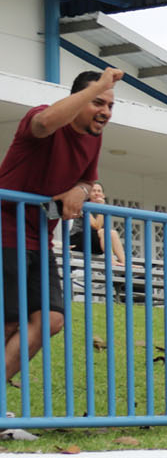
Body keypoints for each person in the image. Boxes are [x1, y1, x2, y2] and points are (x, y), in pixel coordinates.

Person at [1, 67, 121, 386]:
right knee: (9, 322)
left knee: (51, 319)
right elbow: (44, 123)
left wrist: (80, 190)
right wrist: (99, 85)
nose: (106, 112)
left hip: (39, 236)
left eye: (110, 106)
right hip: (6, 229)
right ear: (77, 99)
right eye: (98, 102)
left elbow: (88, 179)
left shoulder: (93, 139)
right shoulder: (43, 117)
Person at [78, 182, 124, 268]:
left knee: (113, 233)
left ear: (103, 195)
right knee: (103, 231)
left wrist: (101, 208)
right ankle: (112, 261)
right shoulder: (83, 205)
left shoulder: (103, 209)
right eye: (93, 191)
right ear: (88, 194)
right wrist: (101, 207)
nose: (96, 193)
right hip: (79, 238)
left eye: (99, 191)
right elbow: (96, 226)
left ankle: (125, 262)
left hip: (94, 241)